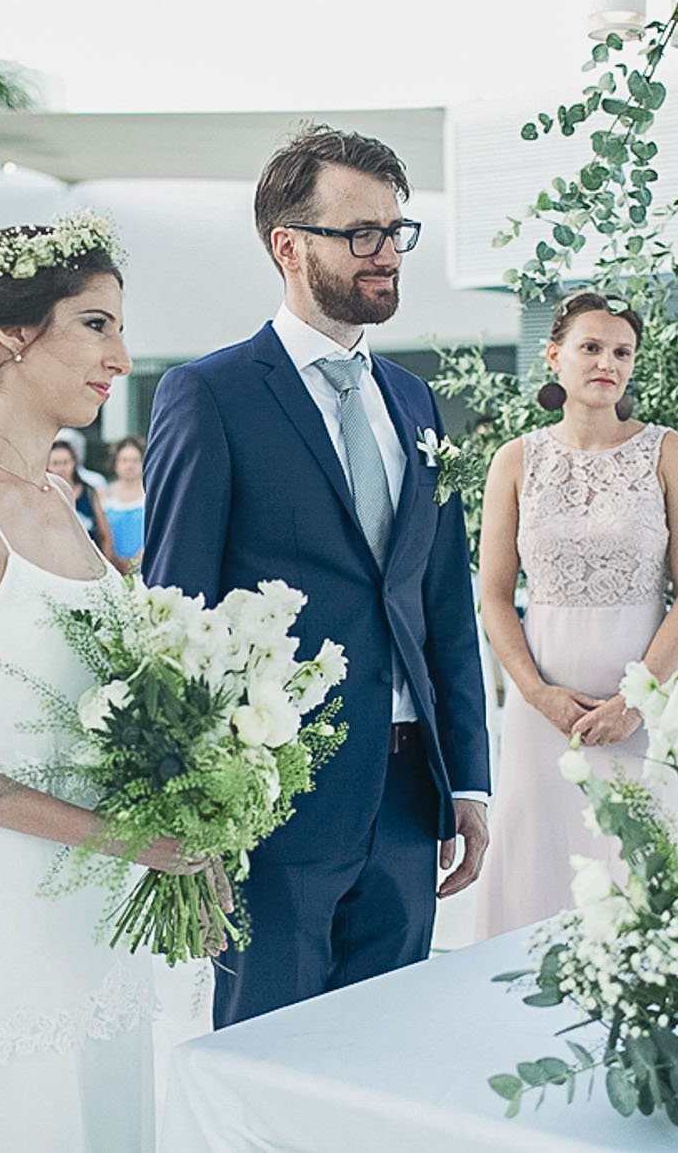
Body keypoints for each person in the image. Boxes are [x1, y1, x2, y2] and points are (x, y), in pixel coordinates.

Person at [144, 125, 491, 1028]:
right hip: (276, 803)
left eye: (396, 231)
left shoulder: (414, 401)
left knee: (385, 1059)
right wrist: (189, 811)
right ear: (287, 245)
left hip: (412, 797)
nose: (386, 255)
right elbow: (174, 613)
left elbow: (441, 604)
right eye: (362, 233)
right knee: (272, 1063)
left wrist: (470, 782)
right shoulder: (209, 395)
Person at [0, 213, 194, 1150]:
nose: (122, 357)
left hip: (95, 904)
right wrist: (119, 837)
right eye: (96, 324)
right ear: (14, 333)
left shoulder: (61, 498)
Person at [472, 291, 678, 935]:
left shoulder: (671, 453)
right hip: (541, 707)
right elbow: (494, 593)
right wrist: (535, 693)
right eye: (591, 347)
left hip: (644, 704)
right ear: (554, 358)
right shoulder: (515, 461)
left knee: (640, 863)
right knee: (538, 866)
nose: (607, 361)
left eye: (621, 351)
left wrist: (638, 699)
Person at [46, 438, 120, 569]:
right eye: (56, 463)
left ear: (74, 463)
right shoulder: (44, 495)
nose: (61, 468)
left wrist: (104, 566)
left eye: (65, 462)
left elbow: (105, 535)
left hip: (89, 564)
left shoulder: (89, 492)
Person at [103, 435, 147, 571]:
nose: (129, 465)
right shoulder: (104, 494)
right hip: (112, 567)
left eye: (135, 460)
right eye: (124, 460)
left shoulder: (152, 495)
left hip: (145, 567)